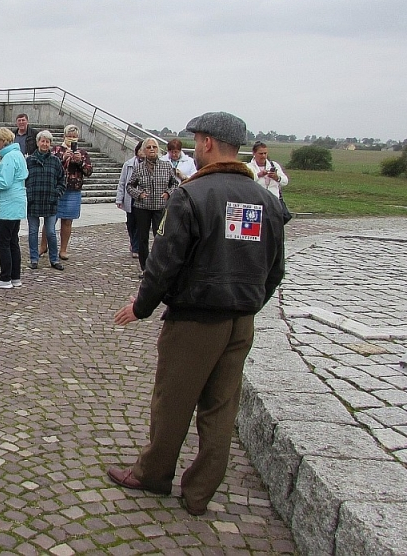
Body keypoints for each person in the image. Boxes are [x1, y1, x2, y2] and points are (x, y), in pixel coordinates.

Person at [108, 111, 285, 517]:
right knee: (221, 408)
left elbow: (164, 262)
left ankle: (153, 475)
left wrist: (142, 305)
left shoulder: (192, 195)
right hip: (242, 321)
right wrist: (250, 303)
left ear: (206, 143)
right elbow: (275, 269)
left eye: (196, 141)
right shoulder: (267, 202)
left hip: (195, 320)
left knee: (172, 402)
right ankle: (200, 492)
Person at [127, 138, 180, 272]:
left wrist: (168, 193)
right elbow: (129, 186)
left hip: (159, 207)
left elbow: (175, 183)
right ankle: (145, 268)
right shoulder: (139, 168)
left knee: (160, 238)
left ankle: (158, 267)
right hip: (142, 208)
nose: (152, 149)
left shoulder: (166, 166)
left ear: (158, 150)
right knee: (142, 238)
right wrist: (139, 194)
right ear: (144, 150)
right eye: (149, 147)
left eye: (154, 147)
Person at [0, 127, 28, 289]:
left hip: (9, 203)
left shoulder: (9, 157)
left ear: (3, 141)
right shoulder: (18, 154)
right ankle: (15, 277)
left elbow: (5, 183)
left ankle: (5, 278)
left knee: (3, 241)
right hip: (17, 202)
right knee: (13, 241)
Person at [49, 124, 93, 260]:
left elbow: (89, 172)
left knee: (67, 221)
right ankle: (44, 246)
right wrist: (63, 159)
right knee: (50, 219)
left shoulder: (83, 153)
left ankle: (63, 249)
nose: (72, 139)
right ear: (64, 136)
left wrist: (79, 162)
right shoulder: (56, 150)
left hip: (73, 190)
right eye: (69, 136)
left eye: (74, 137)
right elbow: (50, 166)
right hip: (56, 188)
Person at [26, 130, 66, 271]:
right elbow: (23, 180)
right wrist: (27, 194)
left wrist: (57, 194)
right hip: (33, 201)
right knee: (32, 231)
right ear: (38, 143)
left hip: (50, 201)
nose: (45, 144)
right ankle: (34, 259)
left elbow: (62, 180)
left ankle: (54, 260)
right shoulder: (29, 161)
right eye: (42, 141)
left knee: (50, 232)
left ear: (50, 144)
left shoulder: (55, 161)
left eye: (47, 141)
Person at [116, 142, 143, 259]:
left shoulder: (151, 164)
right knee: (131, 223)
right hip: (130, 197)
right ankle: (133, 241)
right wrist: (119, 198)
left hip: (143, 198)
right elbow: (122, 182)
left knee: (140, 223)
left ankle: (136, 247)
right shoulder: (128, 164)